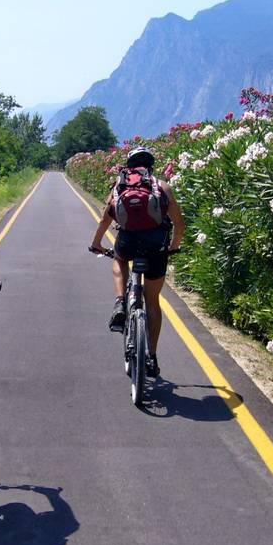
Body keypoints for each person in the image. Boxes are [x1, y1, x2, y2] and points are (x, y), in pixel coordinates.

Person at [89, 146, 184, 377]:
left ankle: (121, 301)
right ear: (151, 165)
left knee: (120, 260)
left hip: (128, 242)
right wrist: (172, 247)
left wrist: (97, 244)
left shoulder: (120, 185)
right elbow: (180, 224)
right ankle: (151, 356)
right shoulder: (162, 187)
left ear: (129, 166)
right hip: (156, 245)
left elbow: (105, 218)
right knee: (152, 302)